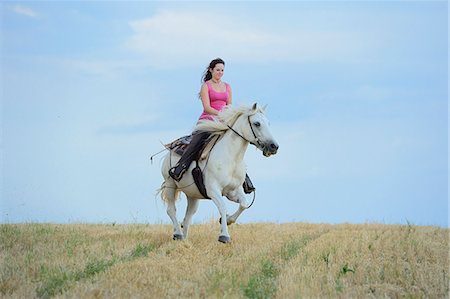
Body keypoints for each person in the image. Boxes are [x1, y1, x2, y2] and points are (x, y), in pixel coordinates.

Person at [168, 58, 255, 193]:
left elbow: (230, 106)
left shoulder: (227, 86)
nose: (220, 72)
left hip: (224, 122)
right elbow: (207, 107)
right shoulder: (206, 86)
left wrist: (228, 117)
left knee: (235, 146)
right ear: (211, 70)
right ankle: (180, 167)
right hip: (208, 121)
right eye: (217, 70)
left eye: (222, 70)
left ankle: (244, 179)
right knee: (197, 141)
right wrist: (221, 114)